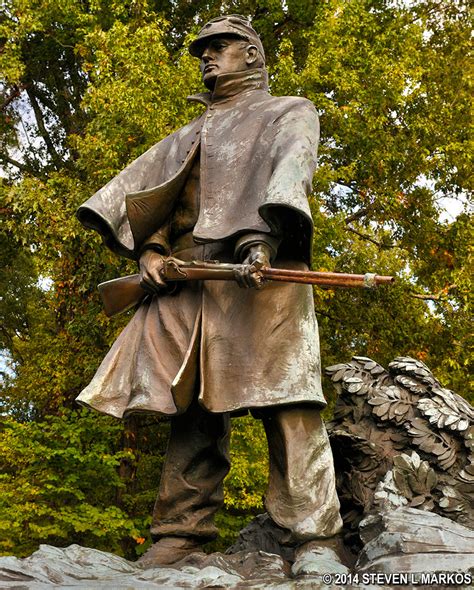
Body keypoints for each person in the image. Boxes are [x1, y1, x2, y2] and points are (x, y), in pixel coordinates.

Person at [76, 15, 344, 568]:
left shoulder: (287, 111)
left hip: (263, 278)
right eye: (203, 49)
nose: (206, 56)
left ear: (251, 55)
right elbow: (151, 199)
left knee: (290, 401)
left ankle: (316, 538)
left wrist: (258, 242)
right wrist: (150, 251)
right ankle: (179, 534)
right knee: (192, 410)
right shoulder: (188, 132)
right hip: (189, 283)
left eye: (220, 47)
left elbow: (291, 173)